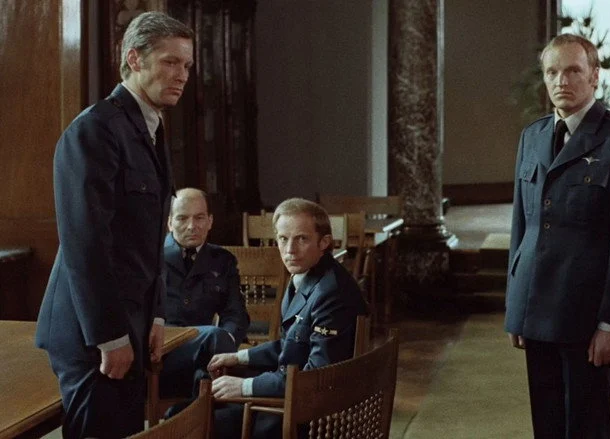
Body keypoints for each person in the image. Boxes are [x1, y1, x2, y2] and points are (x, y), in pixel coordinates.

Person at [34, 12, 194, 438]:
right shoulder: (95, 129)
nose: (182, 75)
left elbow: (149, 239)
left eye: (186, 65)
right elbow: (85, 245)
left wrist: (156, 314)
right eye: (170, 62)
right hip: (94, 335)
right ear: (134, 59)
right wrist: (110, 337)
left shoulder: (149, 127)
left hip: (132, 323)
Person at [504, 34, 610, 438]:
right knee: (546, 424)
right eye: (552, 72)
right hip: (536, 305)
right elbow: (521, 226)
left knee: (587, 425)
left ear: (595, 76)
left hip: (585, 312)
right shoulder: (533, 136)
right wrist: (516, 305)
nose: (561, 80)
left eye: (573, 70)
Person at [207, 198, 368, 438]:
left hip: (303, 414)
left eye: (301, 239)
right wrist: (239, 357)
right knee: (197, 398)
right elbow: (293, 344)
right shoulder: (307, 275)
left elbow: (315, 377)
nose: (290, 250)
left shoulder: (332, 293)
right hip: (288, 394)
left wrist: (244, 386)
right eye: (283, 239)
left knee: (195, 420)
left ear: (324, 242)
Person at [160, 187, 249, 398]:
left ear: (210, 221)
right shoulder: (153, 258)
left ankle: (190, 410)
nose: (192, 226)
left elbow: (235, 314)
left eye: (199, 218)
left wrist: (226, 342)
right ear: (170, 222)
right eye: (182, 218)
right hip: (163, 350)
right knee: (216, 340)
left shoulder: (223, 260)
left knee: (205, 373)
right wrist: (219, 341)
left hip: (207, 353)